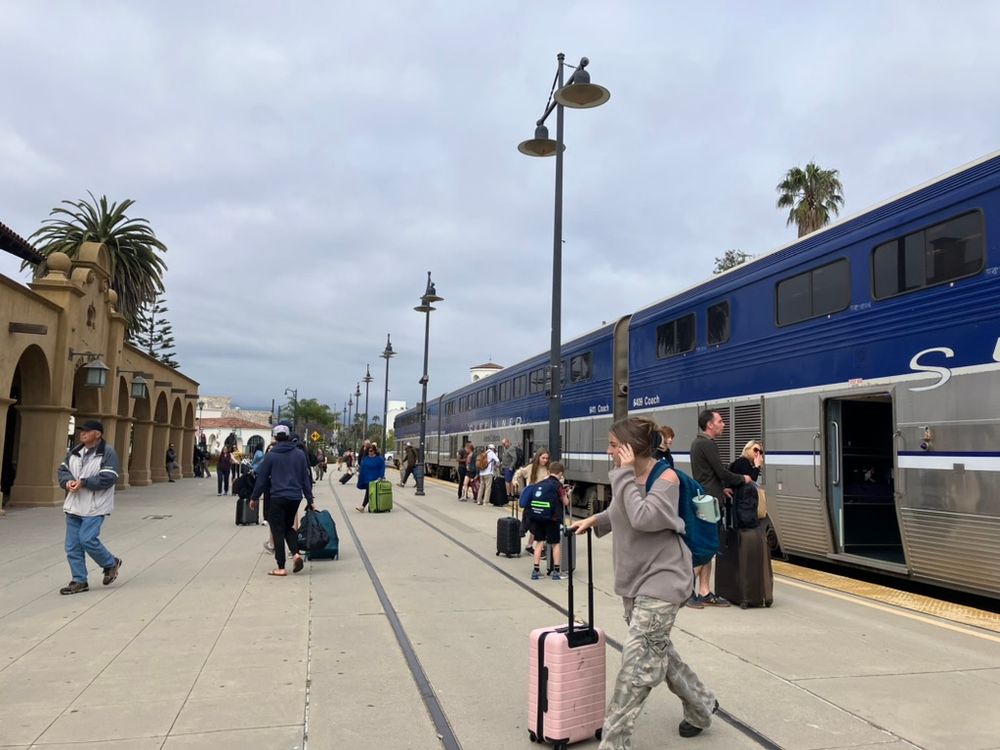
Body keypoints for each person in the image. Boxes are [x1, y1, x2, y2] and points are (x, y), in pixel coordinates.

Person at [571, 417, 719, 747]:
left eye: (612, 444)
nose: (608, 450)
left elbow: (644, 517)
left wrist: (622, 475)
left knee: (636, 669)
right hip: (635, 580)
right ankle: (702, 704)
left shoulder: (665, 478)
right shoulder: (629, 476)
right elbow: (620, 510)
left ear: (630, 448)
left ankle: (613, 743)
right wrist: (595, 520)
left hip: (663, 579)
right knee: (658, 653)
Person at [689, 409, 751, 608]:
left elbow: (708, 475)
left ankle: (704, 591)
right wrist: (743, 478)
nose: (723, 424)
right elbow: (721, 471)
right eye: (720, 421)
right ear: (710, 425)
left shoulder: (700, 443)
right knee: (707, 547)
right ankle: (685, 590)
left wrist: (721, 489)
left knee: (710, 546)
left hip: (709, 497)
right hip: (708, 503)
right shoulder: (706, 444)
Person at [56, 420, 123, 595]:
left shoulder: (107, 453)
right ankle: (79, 580)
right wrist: (68, 482)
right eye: (81, 431)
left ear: (98, 434)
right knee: (72, 546)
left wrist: (84, 483)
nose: (82, 433)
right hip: (74, 505)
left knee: (87, 539)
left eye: (87, 431)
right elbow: (62, 470)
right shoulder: (75, 451)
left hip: (95, 506)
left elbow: (109, 477)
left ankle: (110, 563)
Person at [249, 423, 314, 576]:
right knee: (287, 527)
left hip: (278, 497)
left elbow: (262, 479)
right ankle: (296, 554)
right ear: (289, 436)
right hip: (295, 497)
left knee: (277, 530)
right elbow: (306, 478)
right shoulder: (299, 454)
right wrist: (310, 500)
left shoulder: (271, 455)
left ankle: (281, 567)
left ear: (275, 438)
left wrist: (254, 497)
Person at [526, 461, 570, 580]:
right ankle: (556, 572)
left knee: (539, 543)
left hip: (538, 517)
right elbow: (566, 502)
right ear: (560, 473)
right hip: (552, 519)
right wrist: (567, 494)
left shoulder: (540, 483)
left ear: (549, 472)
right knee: (555, 544)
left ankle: (536, 571)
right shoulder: (558, 486)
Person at [355, 443, 386, 512]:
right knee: (370, 492)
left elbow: (382, 468)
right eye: (369, 451)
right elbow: (362, 467)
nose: (370, 452)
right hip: (366, 478)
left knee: (369, 491)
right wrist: (359, 473)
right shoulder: (365, 458)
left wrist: (381, 476)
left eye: (371, 450)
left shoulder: (379, 459)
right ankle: (371, 506)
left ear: (375, 451)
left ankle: (362, 507)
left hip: (375, 479)